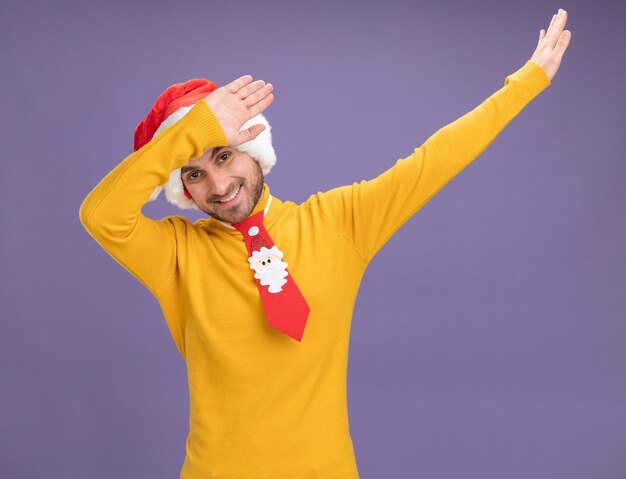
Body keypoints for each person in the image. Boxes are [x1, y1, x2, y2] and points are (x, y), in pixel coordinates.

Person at [79, 9, 571, 479]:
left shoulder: (337, 223)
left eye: (225, 156)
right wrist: (196, 130)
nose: (219, 184)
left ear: (253, 149)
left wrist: (526, 83)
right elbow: (101, 216)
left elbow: (433, 161)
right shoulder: (175, 255)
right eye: (195, 173)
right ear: (183, 189)